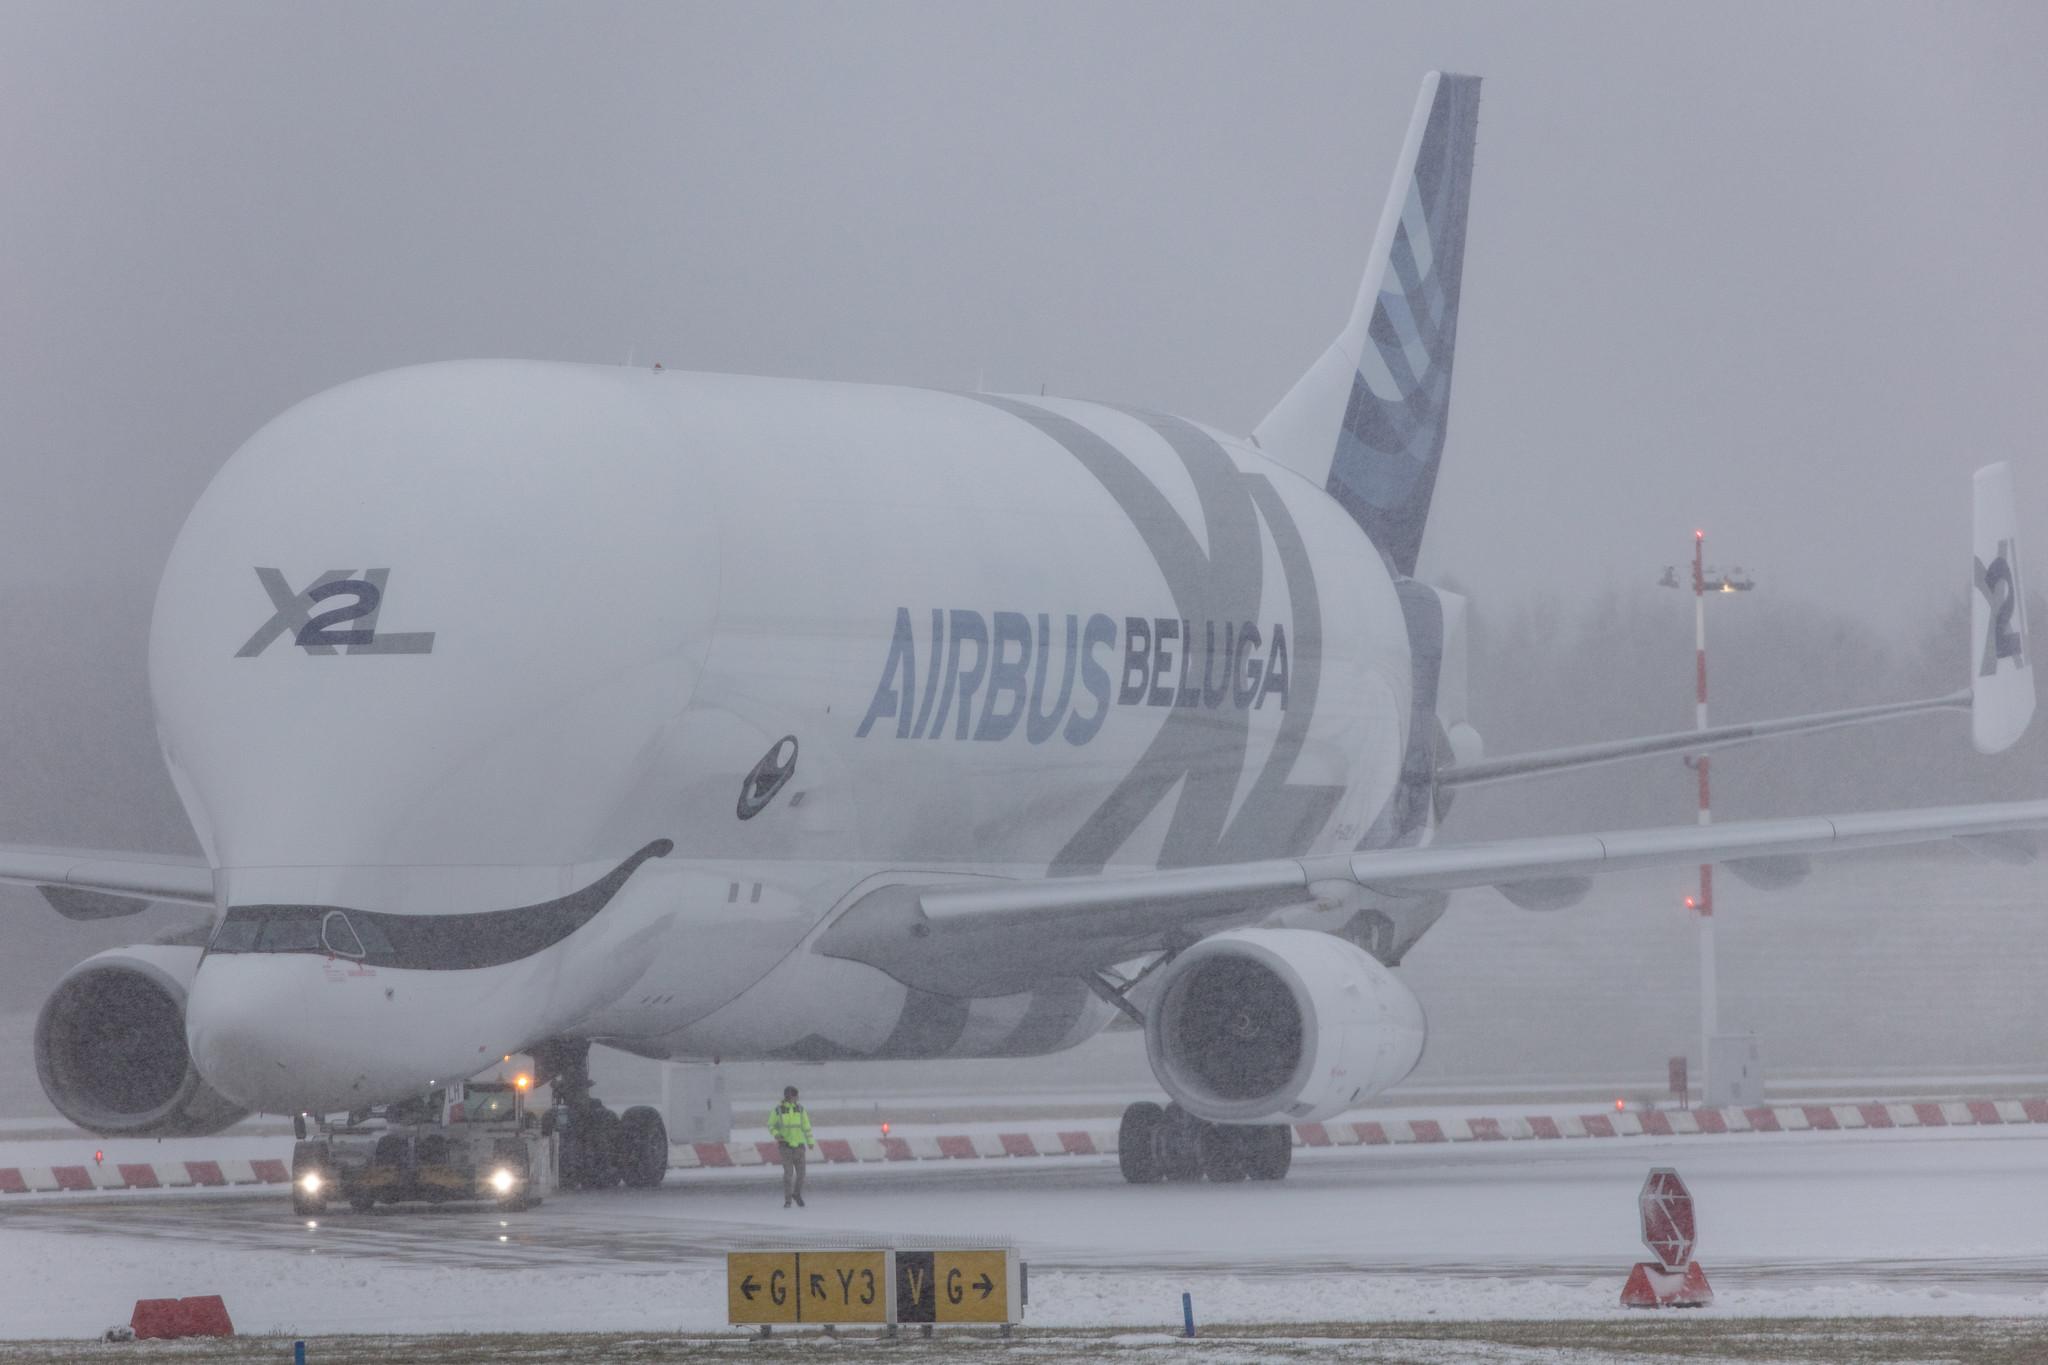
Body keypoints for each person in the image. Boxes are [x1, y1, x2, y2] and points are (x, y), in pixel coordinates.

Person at [768, 1085, 814, 1207]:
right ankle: (788, 1200)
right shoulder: (778, 1110)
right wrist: (776, 1134)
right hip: (786, 1147)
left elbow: (806, 1126)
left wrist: (810, 1141)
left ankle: (796, 1193)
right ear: (791, 1097)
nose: (798, 1098)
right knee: (788, 1175)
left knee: (801, 1175)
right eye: (796, 1096)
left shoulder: (800, 1109)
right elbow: (771, 1125)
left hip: (799, 1147)